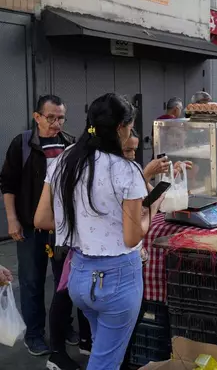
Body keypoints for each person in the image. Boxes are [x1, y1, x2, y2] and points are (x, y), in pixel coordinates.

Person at [34, 93, 163, 370]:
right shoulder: (126, 170)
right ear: (120, 128)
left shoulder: (65, 159)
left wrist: (83, 219)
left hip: (79, 277)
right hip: (118, 280)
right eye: (129, 126)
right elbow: (132, 237)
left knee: (102, 351)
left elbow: (42, 218)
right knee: (105, 362)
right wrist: (153, 209)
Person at [0, 95, 84, 359]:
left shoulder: (70, 143)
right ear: (37, 117)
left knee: (64, 281)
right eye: (51, 117)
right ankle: (34, 334)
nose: (56, 123)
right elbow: (8, 184)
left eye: (61, 118)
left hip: (62, 228)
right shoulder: (23, 144)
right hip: (29, 227)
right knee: (32, 281)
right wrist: (12, 219)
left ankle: (64, 327)